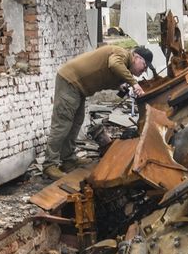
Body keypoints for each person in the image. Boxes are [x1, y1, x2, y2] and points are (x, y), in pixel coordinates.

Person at [43, 44, 152, 179]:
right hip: (69, 81)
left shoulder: (124, 68)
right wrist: (134, 83)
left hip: (78, 87)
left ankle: (68, 160)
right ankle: (49, 164)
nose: (144, 70)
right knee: (62, 124)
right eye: (144, 65)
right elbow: (113, 64)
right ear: (136, 57)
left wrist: (120, 85)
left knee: (77, 122)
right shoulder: (122, 54)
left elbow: (104, 74)